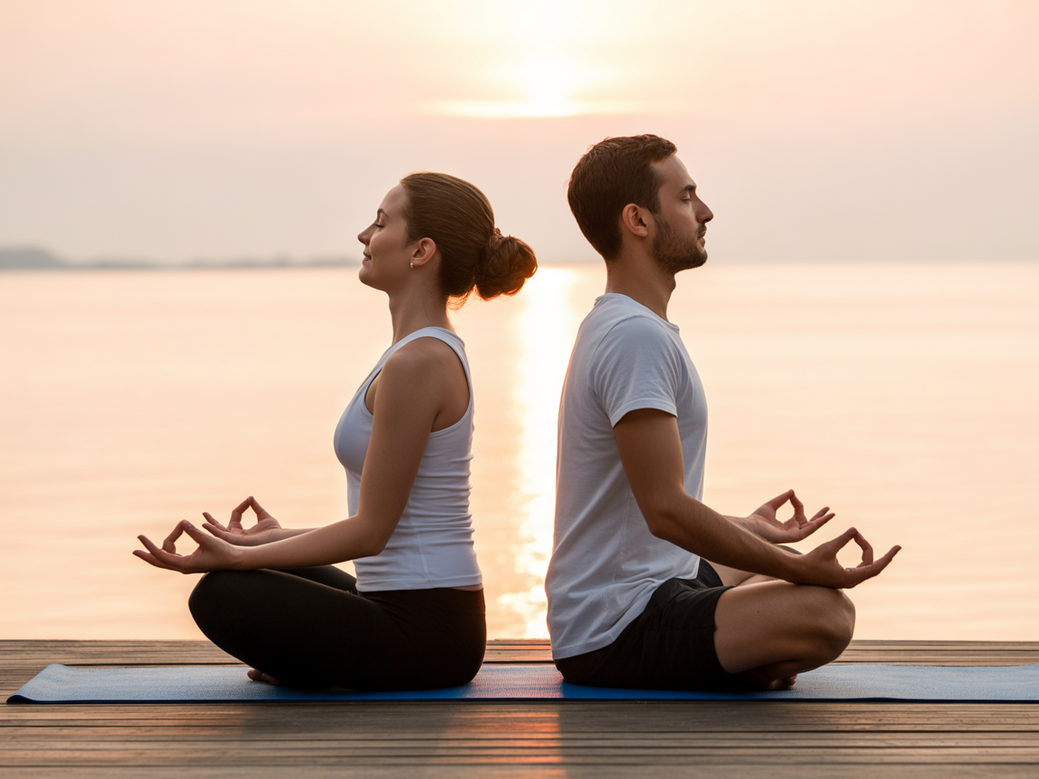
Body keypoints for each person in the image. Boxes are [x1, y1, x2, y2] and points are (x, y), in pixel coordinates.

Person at [135, 172, 537, 691]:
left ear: (421, 251)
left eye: (380, 222)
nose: (364, 236)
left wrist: (240, 555)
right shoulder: (413, 353)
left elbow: (371, 532)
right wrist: (266, 540)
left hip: (430, 632)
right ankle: (309, 657)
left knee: (220, 593)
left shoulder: (420, 362)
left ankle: (310, 662)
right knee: (245, 578)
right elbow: (381, 522)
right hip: (403, 608)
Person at [545, 135, 900, 692]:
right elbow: (666, 511)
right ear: (637, 219)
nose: (705, 212)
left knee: (765, 568)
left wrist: (749, 528)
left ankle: (745, 654)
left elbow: (645, 516)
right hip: (614, 629)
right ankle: (742, 662)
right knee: (827, 613)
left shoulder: (628, 325)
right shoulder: (634, 337)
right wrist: (803, 569)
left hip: (655, 584)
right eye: (686, 198)